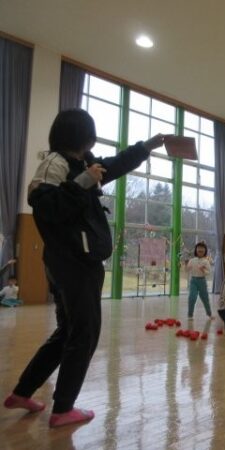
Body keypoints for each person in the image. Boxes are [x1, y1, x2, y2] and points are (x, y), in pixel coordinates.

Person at [3, 109, 164, 428]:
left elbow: (115, 164)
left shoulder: (81, 163)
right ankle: (63, 408)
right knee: (84, 333)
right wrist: (83, 182)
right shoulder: (56, 163)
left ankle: (22, 392)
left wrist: (146, 147)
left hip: (74, 261)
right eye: (90, 133)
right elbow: (45, 206)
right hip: (73, 262)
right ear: (82, 136)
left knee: (68, 332)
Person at [186, 241, 213, 320]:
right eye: (199, 248)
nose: (200, 250)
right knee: (192, 297)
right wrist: (186, 265)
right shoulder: (192, 260)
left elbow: (208, 272)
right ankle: (190, 315)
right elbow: (187, 270)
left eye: (202, 249)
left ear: (205, 251)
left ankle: (209, 314)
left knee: (205, 298)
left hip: (202, 281)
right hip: (193, 281)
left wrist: (203, 270)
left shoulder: (206, 261)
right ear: (196, 250)